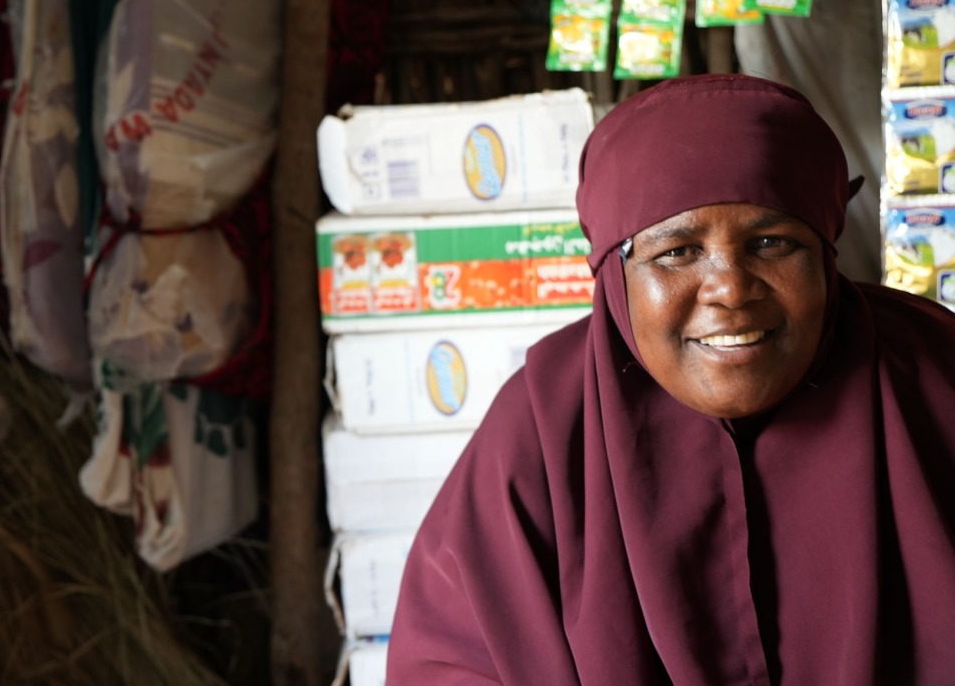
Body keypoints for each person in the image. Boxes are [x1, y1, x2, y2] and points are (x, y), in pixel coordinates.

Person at [385, 74, 955, 685]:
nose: (730, 287)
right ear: (615, 277)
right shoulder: (543, 427)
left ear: (825, 256)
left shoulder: (932, 376)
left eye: (772, 243)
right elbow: (449, 662)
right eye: (677, 252)